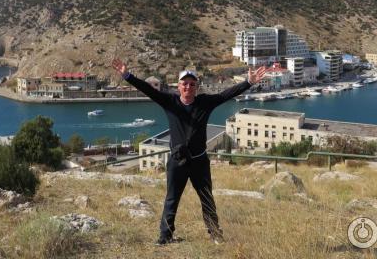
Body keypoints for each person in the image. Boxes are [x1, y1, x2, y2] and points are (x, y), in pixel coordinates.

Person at [112, 59, 266, 245]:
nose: (188, 87)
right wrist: (127, 76)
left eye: (192, 84)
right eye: (184, 83)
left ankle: (215, 234)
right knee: (172, 199)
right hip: (177, 161)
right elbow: (148, 90)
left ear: (197, 87)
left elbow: (226, 94)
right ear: (178, 86)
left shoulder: (205, 102)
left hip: (199, 161)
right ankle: (165, 236)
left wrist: (248, 82)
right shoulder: (170, 101)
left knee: (207, 198)